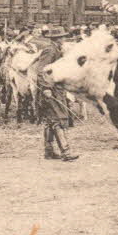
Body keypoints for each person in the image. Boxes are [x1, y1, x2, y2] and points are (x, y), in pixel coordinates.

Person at [37, 28, 78, 162]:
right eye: (62, 37)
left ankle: (48, 151)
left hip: (56, 89)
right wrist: (46, 88)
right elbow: (42, 70)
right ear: (57, 39)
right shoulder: (50, 50)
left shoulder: (57, 50)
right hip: (51, 89)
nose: (64, 39)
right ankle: (66, 152)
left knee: (50, 121)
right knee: (58, 119)